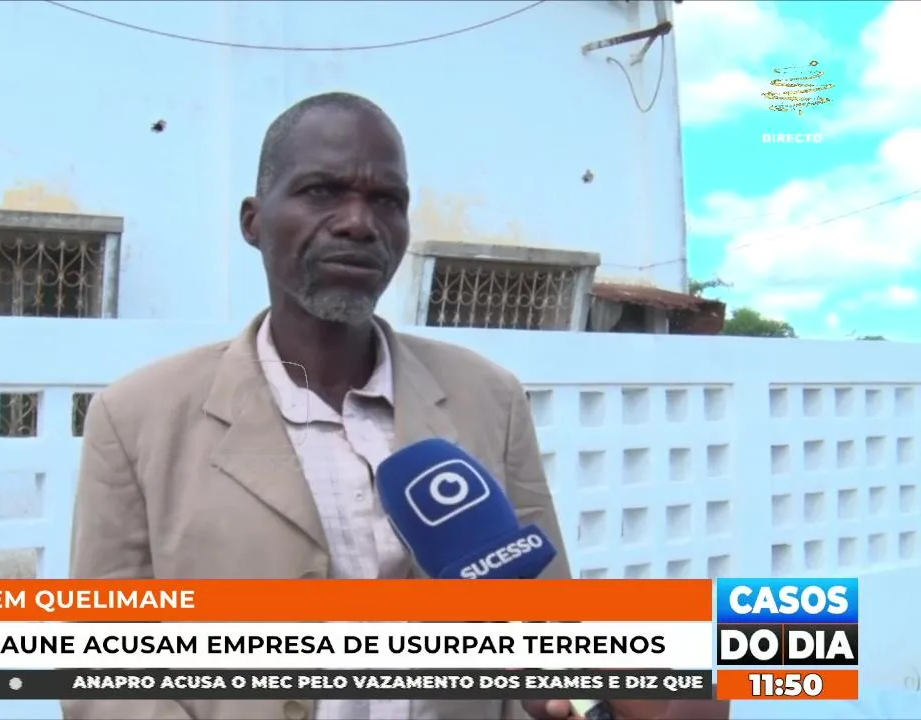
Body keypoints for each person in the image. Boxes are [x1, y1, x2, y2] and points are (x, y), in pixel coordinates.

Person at [64, 92, 730, 720]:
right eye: (322, 191)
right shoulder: (138, 417)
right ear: (253, 220)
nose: (359, 222)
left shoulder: (489, 396)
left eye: (387, 200)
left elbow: (546, 621)